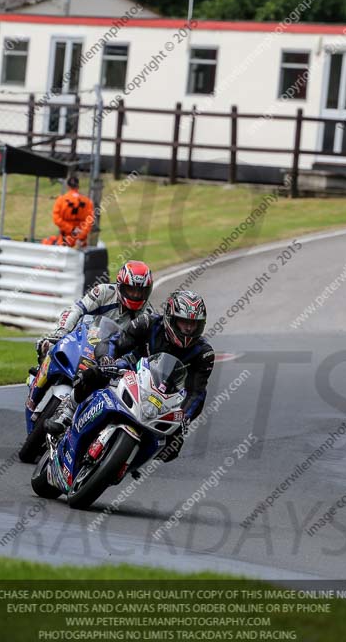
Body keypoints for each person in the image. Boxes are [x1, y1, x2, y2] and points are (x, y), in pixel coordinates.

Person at [65, 290, 215, 462]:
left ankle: (130, 459)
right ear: (171, 318)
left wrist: (184, 418)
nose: (188, 328)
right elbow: (115, 342)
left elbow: (196, 392)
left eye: (193, 324)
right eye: (183, 322)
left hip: (166, 395)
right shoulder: (148, 322)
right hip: (132, 368)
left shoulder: (204, 353)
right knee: (94, 374)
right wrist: (106, 359)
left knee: (171, 449)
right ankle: (68, 410)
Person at [41, 260, 154, 433]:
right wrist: (62, 331)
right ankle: (39, 377)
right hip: (84, 339)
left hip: (110, 357)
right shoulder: (104, 292)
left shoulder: (147, 315)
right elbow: (76, 309)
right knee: (48, 345)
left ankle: (77, 418)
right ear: (121, 285)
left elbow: (142, 349)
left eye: (140, 291)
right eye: (131, 289)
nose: (135, 295)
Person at [42, 175, 94, 248]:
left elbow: (56, 219)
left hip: (65, 238)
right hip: (80, 241)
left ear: (68, 186)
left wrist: (71, 229)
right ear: (78, 186)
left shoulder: (61, 200)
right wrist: (81, 235)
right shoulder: (87, 202)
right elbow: (89, 221)